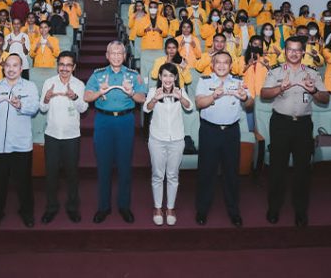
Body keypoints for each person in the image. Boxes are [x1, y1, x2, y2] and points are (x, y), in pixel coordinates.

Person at [261, 36, 329, 228]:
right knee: (277, 168)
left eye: (297, 50)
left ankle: (300, 211)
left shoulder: (312, 73)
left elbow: (325, 98)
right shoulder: (275, 72)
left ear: (303, 52)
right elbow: (264, 94)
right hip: (280, 124)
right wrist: (279, 88)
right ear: (285, 51)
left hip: (303, 125)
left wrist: (313, 90)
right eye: (290, 49)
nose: (293, 53)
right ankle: (274, 208)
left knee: (302, 170)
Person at [84, 41, 147, 224]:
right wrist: (99, 92)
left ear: (125, 56)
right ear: (107, 55)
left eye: (120, 53)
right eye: (113, 53)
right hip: (103, 121)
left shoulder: (133, 75)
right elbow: (87, 97)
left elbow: (142, 98)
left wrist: (131, 92)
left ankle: (124, 206)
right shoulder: (98, 75)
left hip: (125, 121)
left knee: (124, 165)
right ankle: (103, 207)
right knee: (103, 165)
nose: (117, 56)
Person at [0, 54, 39, 230]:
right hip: (0, 144)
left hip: (21, 144)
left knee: (24, 182)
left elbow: (34, 108)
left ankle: (27, 212)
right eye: (8, 66)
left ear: (21, 68)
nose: (11, 69)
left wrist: (20, 105)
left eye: (15, 66)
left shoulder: (30, 86)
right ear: (4, 68)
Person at [194, 52, 253, 227]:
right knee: (206, 172)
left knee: (231, 173)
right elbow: (199, 103)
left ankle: (234, 211)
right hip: (209, 131)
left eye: (225, 62)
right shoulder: (204, 81)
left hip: (231, 132)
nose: (221, 65)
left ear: (231, 65)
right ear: (212, 65)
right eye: (218, 62)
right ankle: (202, 210)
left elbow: (250, 105)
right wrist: (213, 96)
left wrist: (245, 98)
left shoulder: (239, 82)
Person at [39, 51, 88, 224]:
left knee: (72, 174)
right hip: (52, 135)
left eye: (68, 65)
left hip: (71, 136)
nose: (64, 68)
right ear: (57, 65)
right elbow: (42, 108)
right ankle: (51, 207)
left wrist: (74, 96)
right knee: (51, 174)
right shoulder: (49, 82)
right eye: (61, 64)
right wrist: (46, 98)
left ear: (74, 67)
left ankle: (72, 207)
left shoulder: (79, 84)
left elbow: (83, 108)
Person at [143, 63, 194, 226]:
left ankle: (170, 208)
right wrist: (154, 99)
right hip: (157, 139)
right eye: (165, 75)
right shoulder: (154, 91)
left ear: (175, 77)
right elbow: (146, 109)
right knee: (158, 175)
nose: (168, 79)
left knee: (172, 175)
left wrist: (181, 97)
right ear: (160, 77)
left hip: (176, 139)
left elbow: (190, 107)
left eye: (171, 76)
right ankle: (158, 207)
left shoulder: (180, 91)